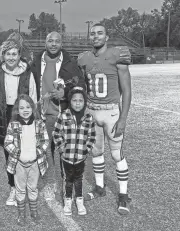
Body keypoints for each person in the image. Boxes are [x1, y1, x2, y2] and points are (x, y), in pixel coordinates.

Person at [77, 23, 132, 215]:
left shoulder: (118, 55)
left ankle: (123, 194)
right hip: (92, 111)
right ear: (89, 37)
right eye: (93, 34)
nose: (96, 36)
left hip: (111, 112)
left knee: (117, 155)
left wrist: (123, 118)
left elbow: (126, 90)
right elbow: (82, 86)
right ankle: (100, 188)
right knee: (96, 152)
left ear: (107, 37)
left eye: (100, 33)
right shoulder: (84, 58)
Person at [31, 31, 86, 201]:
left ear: (61, 44)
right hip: (43, 115)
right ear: (45, 43)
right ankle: (50, 185)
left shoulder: (70, 63)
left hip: (64, 115)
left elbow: (81, 86)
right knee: (46, 153)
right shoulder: (36, 62)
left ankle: (66, 186)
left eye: (57, 41)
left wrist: (65, 93)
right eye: (50, 41)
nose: (53, 44)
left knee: (66, 153)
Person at [0, 32, 37, 207]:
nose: (11, 57)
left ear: (19, 55)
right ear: (3, 55)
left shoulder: (26, 72)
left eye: (14, 54)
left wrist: (34, 118)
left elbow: (33, 97)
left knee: (24, 150)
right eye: (8, 54)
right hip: (4, 114)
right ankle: (13, 187)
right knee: (9, 153)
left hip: (21, 114)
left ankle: (25, 184)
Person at [4, 94, 49, 226]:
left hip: (35, 163)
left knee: (33, 187)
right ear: (17, 110)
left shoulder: (39, 123)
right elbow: (7, 143)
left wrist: (37, 153)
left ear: (33, 108)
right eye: (22, 107)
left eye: (28, 107)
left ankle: (34, 212)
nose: (25, 110)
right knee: (20, 189)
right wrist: (19, 154)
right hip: (19, 164)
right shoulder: (13, 124)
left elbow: (45, 141)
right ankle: (21, 214)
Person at [53, 87, 96, 216]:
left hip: (80, 157)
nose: (77, 103)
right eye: (74, 100)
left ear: (85, 102)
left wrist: (86, 150)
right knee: (68, 179)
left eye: (80, 100)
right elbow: (56, 133)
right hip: (66, 156)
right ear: (70, 101)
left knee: (78, 179)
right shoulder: (64, 115)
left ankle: (79, 199)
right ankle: (68, 200)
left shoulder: (88, 117)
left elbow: (92, 136)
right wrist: (61, 147)